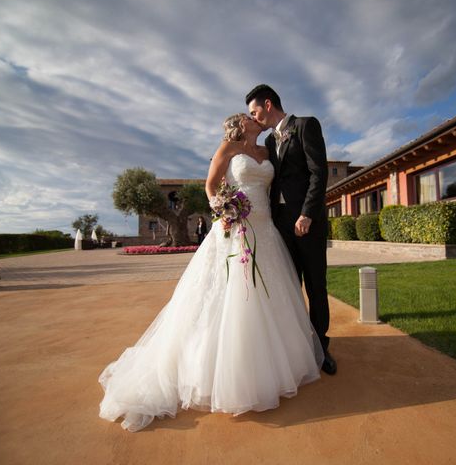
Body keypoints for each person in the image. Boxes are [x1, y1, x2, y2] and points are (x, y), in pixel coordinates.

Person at [98, 113, 323, 432]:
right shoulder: (227, 148)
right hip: (235, 229)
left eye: (257, 114)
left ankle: (275, 365)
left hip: (266, 230)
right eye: (250, 116)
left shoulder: (267, 151)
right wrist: (224, 209)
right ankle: (225, 374)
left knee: (269, 292)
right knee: (229, 294)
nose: (256, 119)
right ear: (240, 124)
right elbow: (210, 185)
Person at [246, 84, 337, 375]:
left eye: (254, 111)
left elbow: (318, 172)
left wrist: (307, 213)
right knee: (289, 286)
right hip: (279, 224)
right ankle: (296, 347)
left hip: (307, 222)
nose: (253, 117)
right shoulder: (270, 143)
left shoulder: (306, 125)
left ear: (268, 104)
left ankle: (321, 349)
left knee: (315, 285)